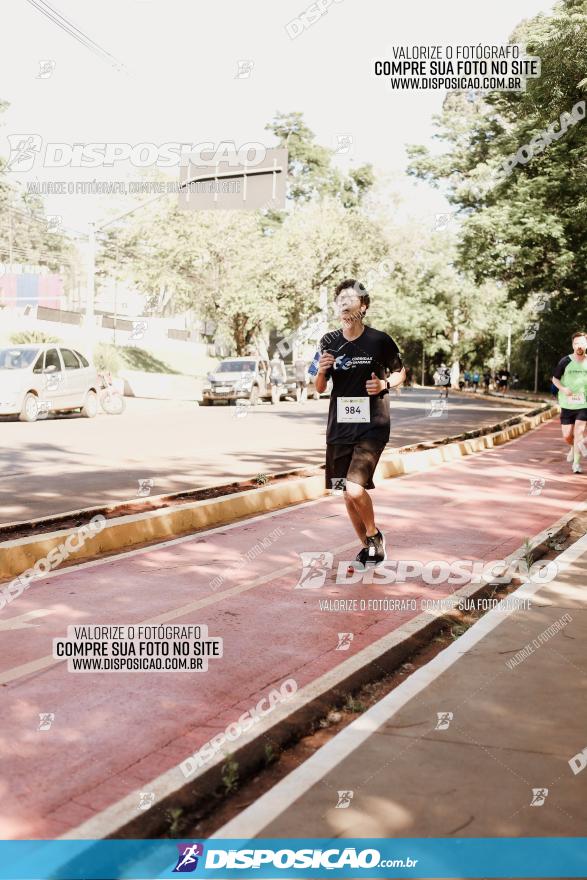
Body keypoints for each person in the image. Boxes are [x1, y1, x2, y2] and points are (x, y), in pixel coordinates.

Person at [314, 279, 405, 566]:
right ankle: (368, 546)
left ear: (363, 307)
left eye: (350, 298)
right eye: (340, 298)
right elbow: (319, 387)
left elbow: (401, 373)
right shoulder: (329, 341)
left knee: (354, 488)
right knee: (343, 491)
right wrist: (321, 371)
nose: (344, 303)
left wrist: (384, 384)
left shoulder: (379, 340)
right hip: (339, 427)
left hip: (372, 425)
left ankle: (374, 535)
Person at [552, 332, 587, 474]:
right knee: (567, 436)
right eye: (576, 343)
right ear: (573, 345)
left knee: (579, 432)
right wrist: (563, 388)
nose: (579, 346)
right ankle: (573, 447)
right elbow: (555, 379)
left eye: (582, 343)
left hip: (584, 403)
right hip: (567, 403)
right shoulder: (565, 361)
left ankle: (577, 464)